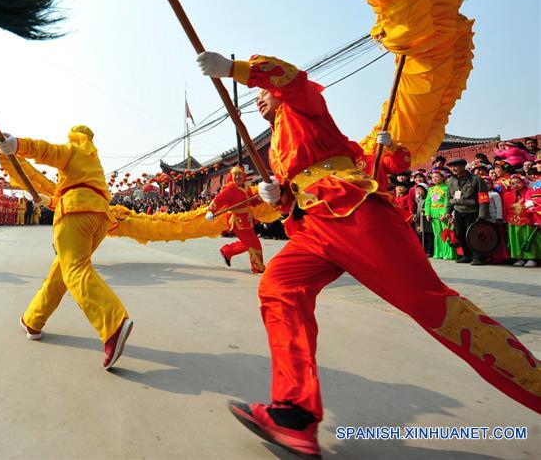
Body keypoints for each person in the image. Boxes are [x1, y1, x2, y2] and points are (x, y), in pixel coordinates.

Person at [196, 51, 540, 456]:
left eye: (262, 94)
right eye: (255, 98)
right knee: (278, 288)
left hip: (354, 215)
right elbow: (301, 183)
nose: (258, 101)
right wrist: (280, 194)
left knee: (430, 306)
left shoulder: (303, 105)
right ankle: (294, 412)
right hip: (312, 229)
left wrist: (235, 70)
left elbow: (291, 77)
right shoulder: (276, 144)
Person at [0, 125, 133, 370]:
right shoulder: (94, 163)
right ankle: (33, 320)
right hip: (98, 217)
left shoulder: (73, 149)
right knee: (61, 272)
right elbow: (78, 190)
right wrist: (47, 200)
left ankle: (113, 323)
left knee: (75, 270)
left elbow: (47, 151)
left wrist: (18, 144)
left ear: (74, 136)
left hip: (76, 215)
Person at [206, 166, 265, 273]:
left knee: (247, 243)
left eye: (239, 174)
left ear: (244, 176)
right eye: (235, 175)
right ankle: (258, 268)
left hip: (248, 219)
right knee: (255, 244)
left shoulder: (247, 188)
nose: (237, 177)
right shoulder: (229, 189)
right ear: (231, 177)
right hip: (238, 221)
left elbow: (252, 202)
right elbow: (218, 199)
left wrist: (260, 198)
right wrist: (211, 211)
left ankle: (227, 251)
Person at [444, 158, 489, 265]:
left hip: (473, 211)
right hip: (458, 211)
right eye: (451, 167)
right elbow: (449, 197)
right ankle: (467, 256)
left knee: (474, 235)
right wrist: (448, 211)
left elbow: (483, 197)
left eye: (456, 166)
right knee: (460, 234)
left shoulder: (476, 179)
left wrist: (482, 215)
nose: (453, 169)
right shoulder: (450, 181)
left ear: (463, 166)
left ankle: (478, 257)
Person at [502, 175, 540, 266]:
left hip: (528, 220)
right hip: (512, 221)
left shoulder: (529, 192)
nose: (515, 185)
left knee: (529, 239)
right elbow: (505, 208)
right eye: (513, 183)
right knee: (516, 240)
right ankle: (520, 258)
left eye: (518, 183)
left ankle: (532, 258)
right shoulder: (507, 194)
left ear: (524, 183)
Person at [413, 183, 433, 257]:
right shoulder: (417, 198)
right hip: (419, 219)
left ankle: (429, 250)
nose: (418, 191)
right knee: (421, 235)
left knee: (428, 235)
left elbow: (431, 206)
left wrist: (425, 210)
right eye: (417, 190)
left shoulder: (428, 198)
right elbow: (415, 208)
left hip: (426, 220)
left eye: (420, 190)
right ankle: (423, 249)